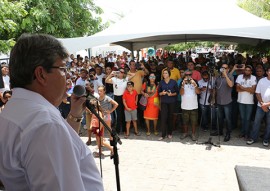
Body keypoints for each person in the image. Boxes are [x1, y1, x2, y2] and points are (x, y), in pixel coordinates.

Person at [0, 34, 103, 191]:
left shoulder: (13, 110)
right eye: (62, 69)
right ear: (41, 74)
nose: (67, 75)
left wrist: (74, 114)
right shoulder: (44, 123)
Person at [105, 68, 135, 134]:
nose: (121, 73)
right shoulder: (114, 79)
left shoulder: (125, 79)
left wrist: (126, 73)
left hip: (124, 97)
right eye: (120, 72)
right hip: (117, 97)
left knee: (124, 113)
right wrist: (111, 74)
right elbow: (106, 80)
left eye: (122, 72)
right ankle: (118, 129)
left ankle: (124, 129)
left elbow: (133, 74)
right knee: (118, 114)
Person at [247, 67, 270, 146]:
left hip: (267, 105)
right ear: (267, 72)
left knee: (269, 124)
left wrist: (267, 104)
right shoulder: (262, 80)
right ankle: (253, 138)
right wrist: (262, 104)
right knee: (256, 123)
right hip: (260, 106)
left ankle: (266, 139)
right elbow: (257, 93)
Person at [213, 63, 234, 142]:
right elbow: (215, 88)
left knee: (228, 119)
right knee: (220, 118)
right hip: (219, 101)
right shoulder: (218, 77)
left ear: (228, 69)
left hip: (227, 101)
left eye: (225, 68)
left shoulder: (230, 76)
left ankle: (228, 133)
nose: (223, 69)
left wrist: (225, 75)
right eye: (222, 68)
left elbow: (231, 85)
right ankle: (220, 131)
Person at [236, 65, 256, 139]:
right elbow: (237, 89)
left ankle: (247, 133)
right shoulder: (239, 77)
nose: (247, 71)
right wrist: (248, 89)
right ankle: (242, 132)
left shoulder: (253, 78)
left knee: (247, 118)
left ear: (251, 71)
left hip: (250, 102)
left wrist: (243, 88)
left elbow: (253, 91)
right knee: (242, 118)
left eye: (248, 70)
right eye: (246, 70)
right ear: (244, 70)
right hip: (241, 101)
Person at [180, 70, 200, 141]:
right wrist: (182, 85)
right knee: (185, 121)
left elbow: (198, 92)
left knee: (194, 122)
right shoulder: (182, 82)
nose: (188, 76)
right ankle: (185, 133)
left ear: (191, 75)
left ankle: (193, 134)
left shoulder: (195, 81)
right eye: (186, 75)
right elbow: (181, 93)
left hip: (193, 105)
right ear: (184, 75)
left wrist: (194, 85)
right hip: (185, 105)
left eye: (189, 75)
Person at [158, 69, 179, 140]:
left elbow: (177, 92)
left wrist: (171, 94)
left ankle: (169, 133)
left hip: (172, 102)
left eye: (166, 73)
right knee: (163, 118)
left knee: (170, 117)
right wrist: (162, 93)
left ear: (169, 74)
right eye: (163, 73)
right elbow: (159, 93)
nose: (164, 74)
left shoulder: (173, 82)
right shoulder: (161, 82)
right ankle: (163, 134)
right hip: (164, 102)